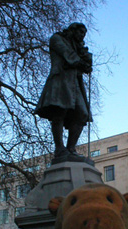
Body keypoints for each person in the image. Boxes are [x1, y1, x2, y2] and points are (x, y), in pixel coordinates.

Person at [35, 23, 92, 158]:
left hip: (75, 84)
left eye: (84, 34)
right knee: (59, 112)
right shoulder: (57, 38)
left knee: (82, 114)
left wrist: (86, 59)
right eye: (80, 32)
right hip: (60, 80)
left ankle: (71, 148)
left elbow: (83, 63)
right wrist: (80, 62)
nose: (81, 36)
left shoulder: (78, 47)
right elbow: (67, 55)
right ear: (72, 30)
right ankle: (59, 148)